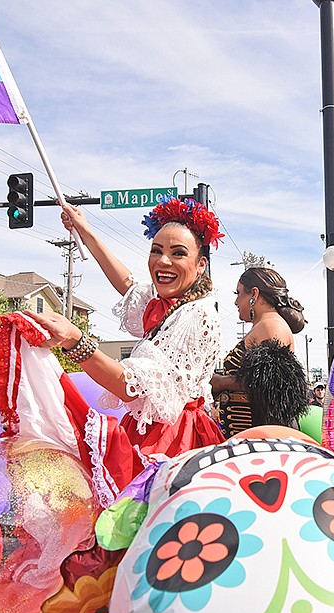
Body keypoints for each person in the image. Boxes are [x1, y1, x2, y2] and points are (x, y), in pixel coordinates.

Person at [26, 196, 225, 483]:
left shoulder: (197, 315)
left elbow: (131, 387)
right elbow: (128, 284)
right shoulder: (168, 304)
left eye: (178, 253)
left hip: (175, 442)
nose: (163, 261)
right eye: (156, 251)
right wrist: (86, 231)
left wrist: (74, 340)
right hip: (150, 429)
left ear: (201, 264)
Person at [210, 266, 309, 437]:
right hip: (255, 436)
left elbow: (271, 385)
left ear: (254, 294)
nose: (236, 301)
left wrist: (221, 382)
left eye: (238, 293)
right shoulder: (267, 324)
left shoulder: (271, 325)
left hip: (265, 437)